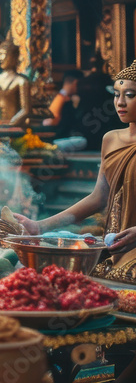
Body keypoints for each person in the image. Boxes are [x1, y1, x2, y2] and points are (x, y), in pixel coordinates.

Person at [16, 61, 136, 282]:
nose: (120, 102)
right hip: (114, 249)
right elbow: (99, 197)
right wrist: (39, 226)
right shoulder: (111, 139)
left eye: (129, 95)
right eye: (116, 94)